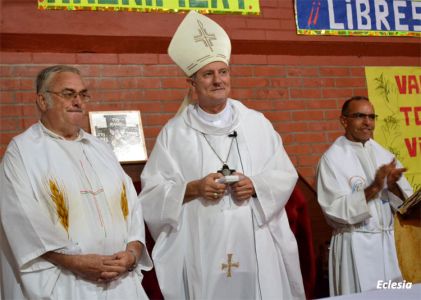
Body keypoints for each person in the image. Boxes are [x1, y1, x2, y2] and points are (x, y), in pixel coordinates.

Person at [139, 11, 305, 300]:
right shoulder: (175, 133)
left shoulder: (256, 122)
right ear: (192, 84)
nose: (218, 80)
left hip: (256, 239)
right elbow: (152, 194)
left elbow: (284, 174)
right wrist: (192, 188)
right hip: (203, 244)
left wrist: (256, 186)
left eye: (223, 72)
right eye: (208, 74)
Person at [0, 65, 152, 299]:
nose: (78, 101)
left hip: (121, 283)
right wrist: (75, 262)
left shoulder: (101, 148)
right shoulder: (22, 152)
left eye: (83, 94)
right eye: (68, 94)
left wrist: (132, 253)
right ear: (42, 101)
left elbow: (131, 205)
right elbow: (22, 220)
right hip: (66, 283)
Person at [316, 96, 413, 296]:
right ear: (344, 120)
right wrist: (375, 187)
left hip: (388, 244)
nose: (368, 122)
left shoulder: (384, 154)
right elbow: (334, 210)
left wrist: (393, 187)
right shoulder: (331, 160)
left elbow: (405, 204)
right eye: (360, 116)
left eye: (371, 116)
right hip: (355, 246)